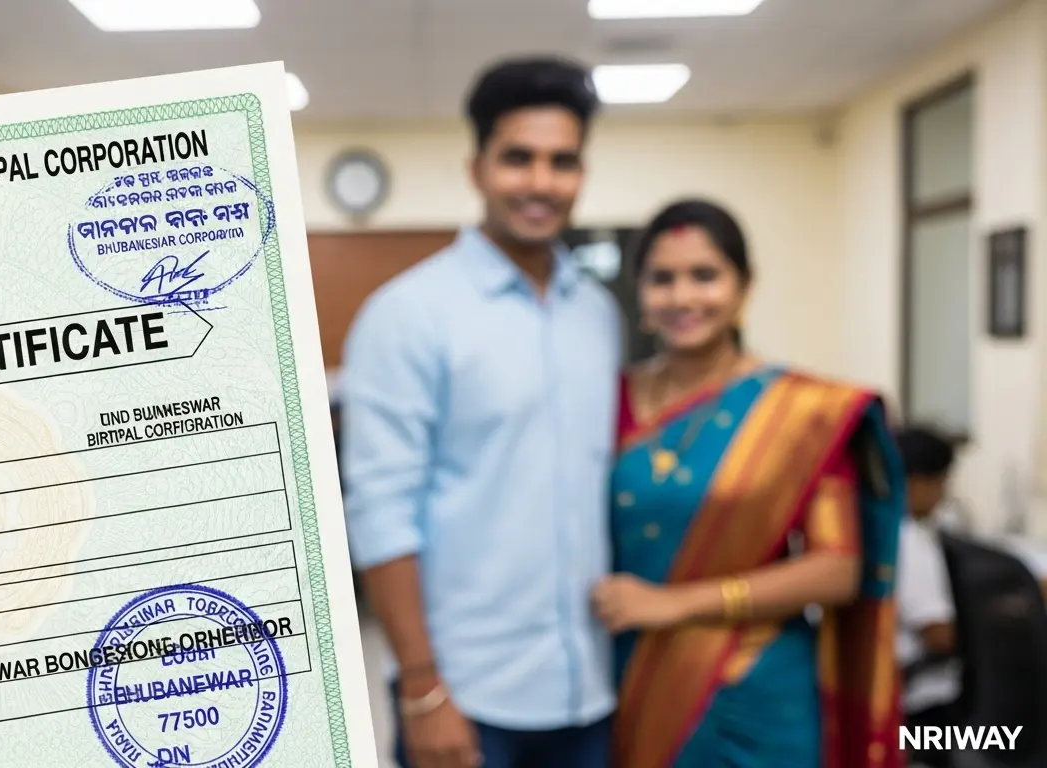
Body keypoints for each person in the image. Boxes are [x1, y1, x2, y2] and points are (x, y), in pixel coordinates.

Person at [341, 57, 619, 768]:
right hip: (467, 694)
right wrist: (423, 689)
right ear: (477, 168)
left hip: (591, 689)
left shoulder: (599, 315)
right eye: (517, 158)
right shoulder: (409, 315)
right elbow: (381, 510)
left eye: (562, 162)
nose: (540, 183)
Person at [588, 199, 906, 768]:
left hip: (752, 690)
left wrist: (674, 604)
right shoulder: (605, 402)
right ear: (640, 293)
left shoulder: (802, 414)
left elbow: (837, 570)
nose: (683, 297)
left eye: (704, 276)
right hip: (628, 674)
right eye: (662, 279)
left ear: (744, 288)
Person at [894, 427, 961, 767]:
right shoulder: (909, 541)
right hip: (922, 708)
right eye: (941, 485)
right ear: (918, 482)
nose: (943, 497)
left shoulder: (867, 529)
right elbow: (938, 635)